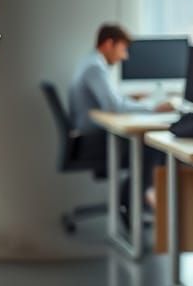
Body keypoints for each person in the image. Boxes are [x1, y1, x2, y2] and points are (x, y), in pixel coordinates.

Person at [68, 23, 174, 208]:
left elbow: (111, 100)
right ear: (109, 44)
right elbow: (113, 105)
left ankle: (137, 202)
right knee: (152, 146)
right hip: (92, 140)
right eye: (123, 49)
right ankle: (133, 202)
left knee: (150, 146)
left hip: (90, 134)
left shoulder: (91, 62)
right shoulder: (95, 67)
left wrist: (131, 98)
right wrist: (154, 109)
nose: (124, 56)